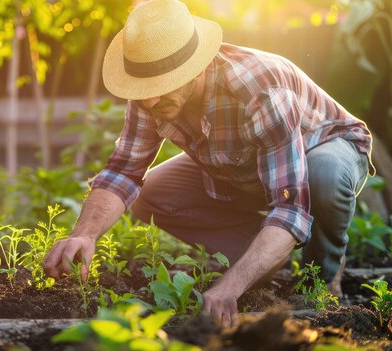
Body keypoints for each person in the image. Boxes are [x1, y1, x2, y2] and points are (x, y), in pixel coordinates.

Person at [42, 0, 373, 327]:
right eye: (145, 89)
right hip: (246, 169)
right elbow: (123, 171)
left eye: (162, 86)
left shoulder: (260, 89)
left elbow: (290, 208)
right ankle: (263, 260)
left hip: (324, 150)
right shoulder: (148, 93)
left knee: (324, 176)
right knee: (151, 195)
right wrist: (85, 234)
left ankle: (322, 282)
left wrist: (229, 288)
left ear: (196, 67)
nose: (151, 99)